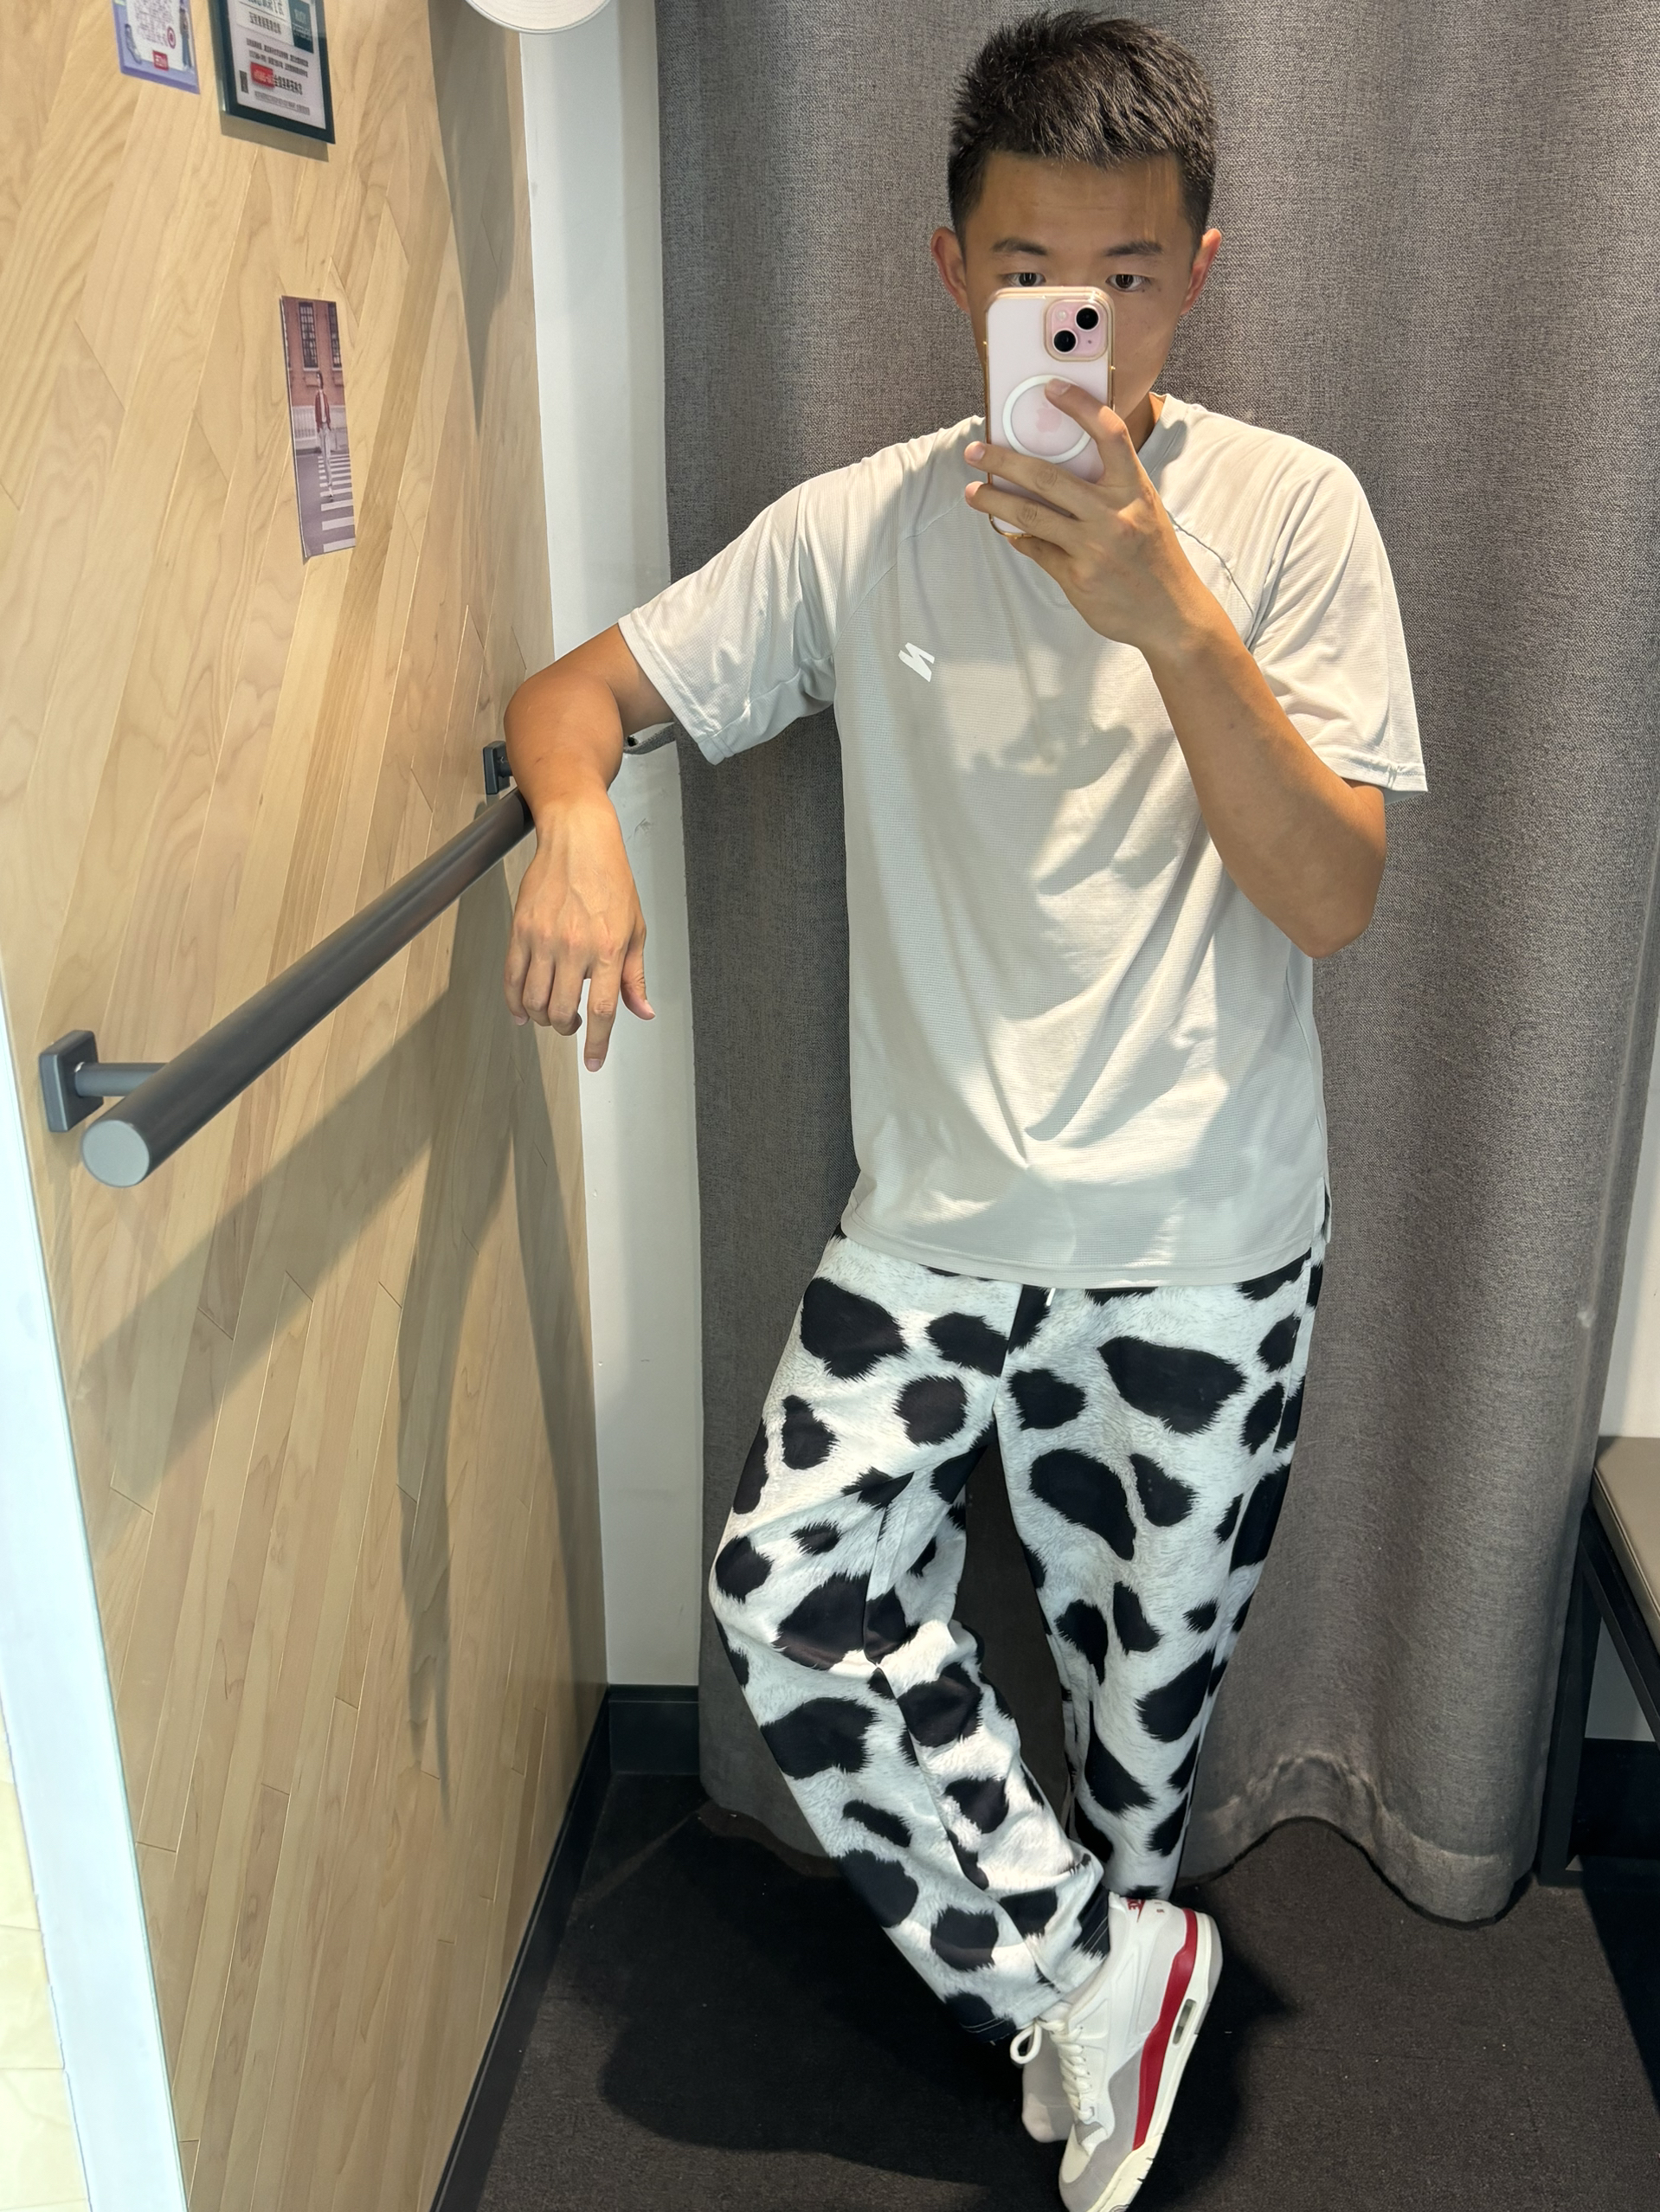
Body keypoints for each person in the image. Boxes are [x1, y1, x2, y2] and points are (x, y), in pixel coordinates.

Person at [500, 13, 1425, 2207]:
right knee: (784, 1589)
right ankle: (1098, 1983)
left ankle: (1098, 2000)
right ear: (949, 272)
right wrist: (578, 821)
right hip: (927, 1223)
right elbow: (574, 694)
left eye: (1123, 277)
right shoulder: (860, 528)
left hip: (1206, 1239)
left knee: (1136, 1732)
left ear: (1197, 273)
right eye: (1026, 278)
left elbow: (1330, 898)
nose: (1074, 326)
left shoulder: (1291, 516)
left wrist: (1168, 619)